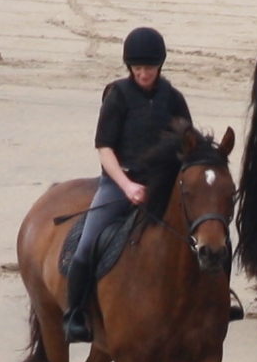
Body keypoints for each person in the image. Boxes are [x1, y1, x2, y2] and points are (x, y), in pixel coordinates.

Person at [64, 27, 191, 344]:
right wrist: (127, 186)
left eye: (149, 68)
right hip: (119, 183)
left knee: (208, 232)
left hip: (163, 184)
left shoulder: (173, 99)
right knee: (88, 242)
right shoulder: (118, 96)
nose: (143, 74)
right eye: (137, 68)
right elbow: (104, 149)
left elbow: (188, 143)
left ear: (160, 66)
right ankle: (74, 314)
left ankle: (219, 299)